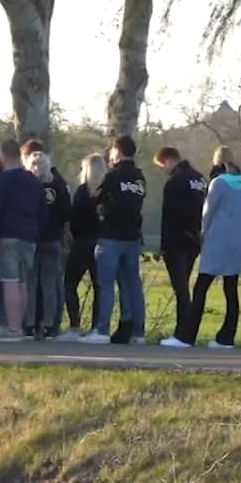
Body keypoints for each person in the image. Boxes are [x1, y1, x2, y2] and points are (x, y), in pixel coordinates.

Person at [165, 155, 241, 349]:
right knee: (230, 289)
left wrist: (202, 233)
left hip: (217, 238)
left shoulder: (218, 183)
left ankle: (186, 336)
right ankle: (226, 337)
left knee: (201, 288)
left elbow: (208, 211)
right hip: (238, 239)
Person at [0, 140, 45, 341]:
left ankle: (13, 328)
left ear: (4, 156)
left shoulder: (3, 180)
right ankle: (22, 325)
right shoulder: (34, 181)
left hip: (6, 235)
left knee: (9, 281)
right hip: (29, 236)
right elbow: (42, 211)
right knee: (22, 282)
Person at [90, 135, 149, 345]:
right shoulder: (140, 178)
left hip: (111, 236)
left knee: (106, 285)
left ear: (119, 151)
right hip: (133, 237)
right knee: (132, 285)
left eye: (112, 150)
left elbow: (96, 199)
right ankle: (138, 332)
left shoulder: (113, 176)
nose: (110, 154)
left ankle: (102, 330)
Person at [152, 146, 208, 332]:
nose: (164, 170)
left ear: (168, 160)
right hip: (194, 239)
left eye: (163, 166)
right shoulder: (200, 179)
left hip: (176, 241)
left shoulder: (175, 181)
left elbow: (168, 216)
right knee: (184, 285)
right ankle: (186, 329)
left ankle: (183, 330)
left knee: (181, 289)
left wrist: (163, 246)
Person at [58, 154, 105, 341]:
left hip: (82, 243)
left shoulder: (82, 192)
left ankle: (74, 326)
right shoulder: (107, 192)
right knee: (100, 288)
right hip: (101, 242)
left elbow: (74, 219)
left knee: (69, 284)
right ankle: (97, 327)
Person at [31, 145, 71, 339]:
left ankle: (29, 323)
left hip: (33, 237)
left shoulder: (29, 185)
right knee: (49, 283)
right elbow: (66, 212)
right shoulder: (58, 186)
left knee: (31, 282)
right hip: (53, 238)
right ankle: (50, 324)